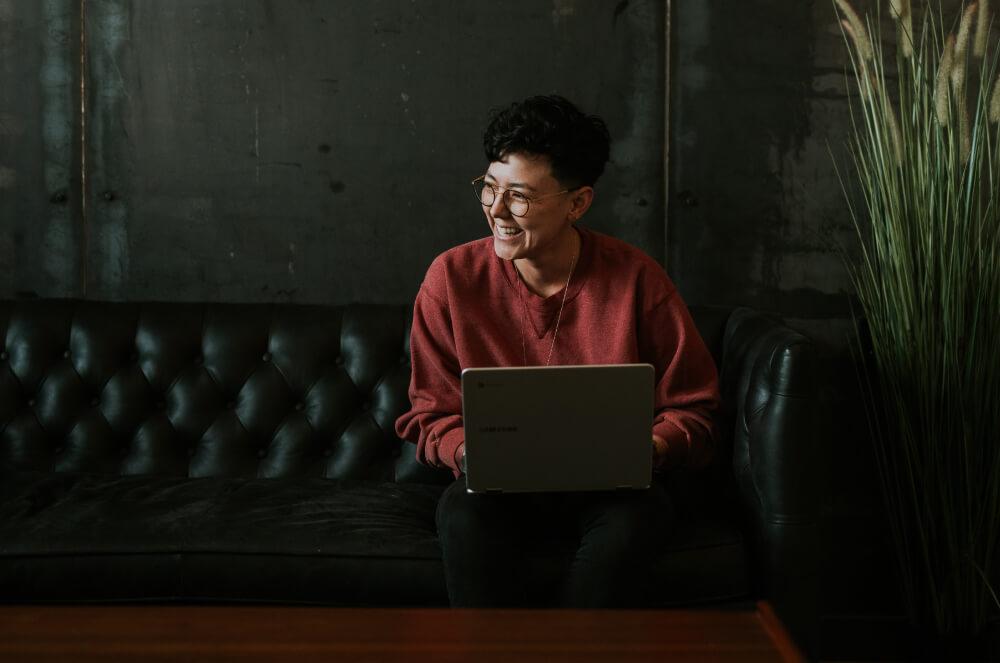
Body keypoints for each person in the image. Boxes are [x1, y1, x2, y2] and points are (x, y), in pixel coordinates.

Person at [394, 95, 720, 608]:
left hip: (614, 492)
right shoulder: (451, 278)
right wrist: (466, 451)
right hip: (494, 492)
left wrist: (649, 449)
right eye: (490, 188)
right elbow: (430, 412)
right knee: (462, 515)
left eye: (519, 196)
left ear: (578, 202)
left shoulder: (636, 279)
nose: (497, 210)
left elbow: (694, 409)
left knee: (638, 519)